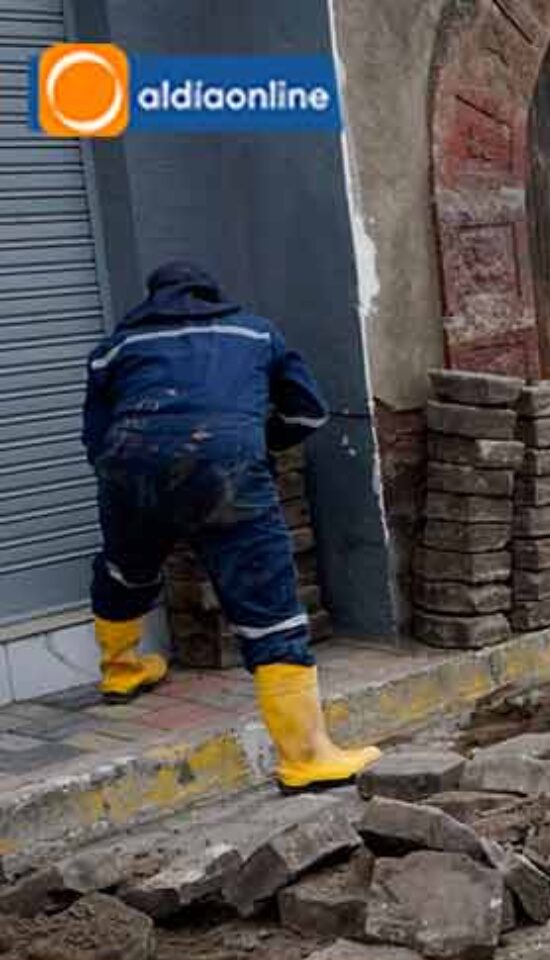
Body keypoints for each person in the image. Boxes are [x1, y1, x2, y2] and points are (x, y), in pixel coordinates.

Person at [83, 262, 381, 791]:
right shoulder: (253, 331)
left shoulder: (115, 347)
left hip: (130, 469)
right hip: (227, 471)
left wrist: (141, 474)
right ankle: (306, 757)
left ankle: (122, 670)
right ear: (212, 293)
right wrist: (253, 441)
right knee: (269, 605)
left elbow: (95, 436)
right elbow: (308, 413)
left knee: (126, 569)